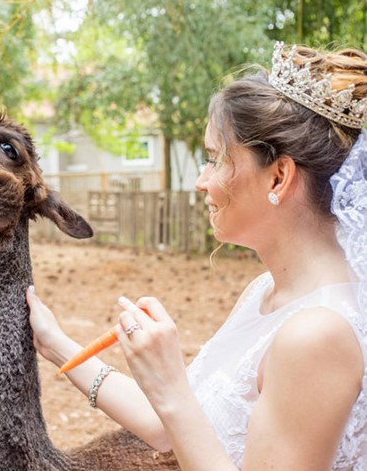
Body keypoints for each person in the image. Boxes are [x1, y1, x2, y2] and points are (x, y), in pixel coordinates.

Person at [27, 41, 367, 470]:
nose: (200, 182)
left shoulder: (317, 334)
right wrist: (55, 343)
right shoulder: (265, 292)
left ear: (278, 177)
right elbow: (171, 426)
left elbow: (176, 411)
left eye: (215, 159)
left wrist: (170, 387)